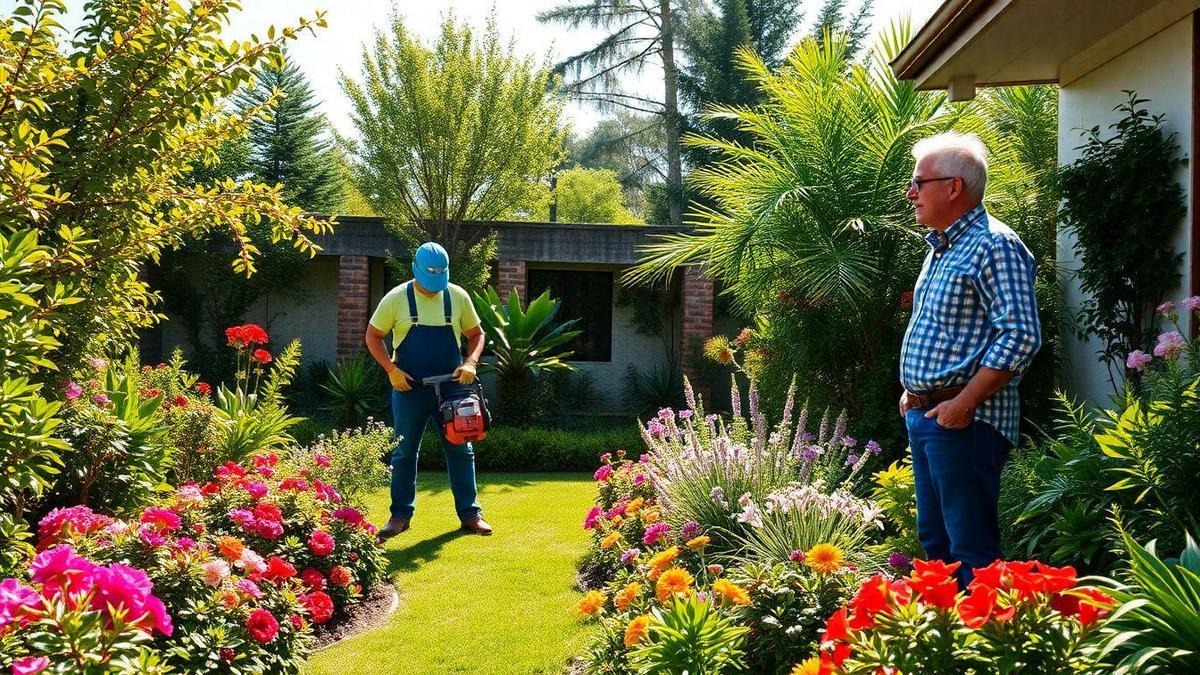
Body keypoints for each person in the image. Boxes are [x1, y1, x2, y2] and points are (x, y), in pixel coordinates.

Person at [898, 132, 1041, 587]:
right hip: (931, 416)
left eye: (919, 182)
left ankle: (983, 651)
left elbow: (1020, 336)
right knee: (936, 548)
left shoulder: (994, 245)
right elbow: (949, 333)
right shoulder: (943, 247)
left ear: (953, 187)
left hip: (966, 423)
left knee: (970, 550)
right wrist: (915, 390)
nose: (911, 192)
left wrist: (963, 403)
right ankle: (947, 650)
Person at [365, 242, 492, 538]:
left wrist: (471, 362)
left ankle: (470, 515)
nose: (434, 288)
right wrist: (391, 369)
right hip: (409, 388)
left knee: (461, 449)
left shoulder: (457, 296)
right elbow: (373, 336)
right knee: (405, 452)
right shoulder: (396, 299)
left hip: (453, 389)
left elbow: (476, 334)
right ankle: (400, 515)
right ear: (416, 270)